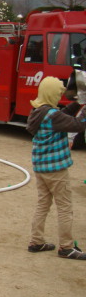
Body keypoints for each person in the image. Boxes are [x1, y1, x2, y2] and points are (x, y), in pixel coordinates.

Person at [26, 76, 86, 260]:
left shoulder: (38, 111)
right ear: (52, 94)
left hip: (41, 168)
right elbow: (78, 125)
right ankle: (66, 247)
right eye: (58, 94)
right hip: (56, 170)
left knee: (43, 204)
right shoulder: (52, 115)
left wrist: (78, 103)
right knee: (65, 207)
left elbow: (63, 114)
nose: (60, 97)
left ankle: (36, 241)